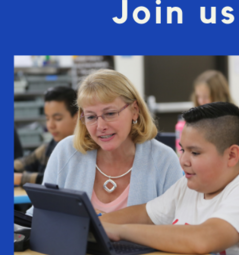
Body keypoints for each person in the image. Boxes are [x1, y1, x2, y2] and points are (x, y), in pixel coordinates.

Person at [100, 102, 239, 255]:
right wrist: (94, 225)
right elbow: (146, 215)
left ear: (231, 155)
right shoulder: (190, 184)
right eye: (182, 149)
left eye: (195, 153)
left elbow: (203, 239)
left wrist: (120, 231)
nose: (183, 160)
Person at [40, 69, 183, 212]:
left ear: (134, 110)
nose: (101, 126)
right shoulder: (65, 151)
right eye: (91, 117)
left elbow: (176, 226)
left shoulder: (164, 160)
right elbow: (40, 213)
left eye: (110, 113)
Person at [14, 85, 78, 186]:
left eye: (57, 118)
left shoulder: (82, 152)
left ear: (77, 117)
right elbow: (21, 164)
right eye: (47, 118)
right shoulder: (49, 147)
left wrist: (22, 178)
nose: (50, 125)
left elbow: (56, 181)